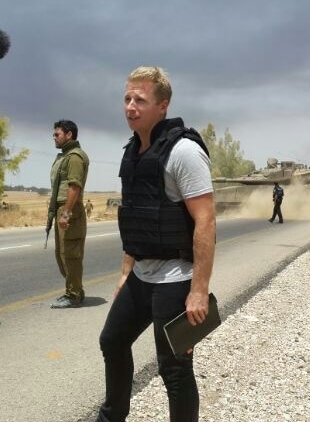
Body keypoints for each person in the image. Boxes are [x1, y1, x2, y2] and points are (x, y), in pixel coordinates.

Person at [97, 66, 216, 422]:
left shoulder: (184, 152)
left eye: (140, 100)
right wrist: (124, 272)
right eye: (127, 98)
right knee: (112, 341)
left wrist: (198, 290)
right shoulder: (132, 152)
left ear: (162, 105)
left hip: (176, 278)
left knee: (174, 369)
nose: (130, 106)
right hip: (142, 275)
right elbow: (136, 219)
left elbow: (206, 221)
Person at [48, 119, 89, 308]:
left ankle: (74, 294)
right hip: (62, 209)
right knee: (61, 254)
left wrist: (66, 213)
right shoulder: (63, 156)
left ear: (69, 134)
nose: (54, 137)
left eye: (57, 134)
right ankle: (74, 289)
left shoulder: (74, 157)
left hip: (70, 210)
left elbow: (74, 187)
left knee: (70, 254)